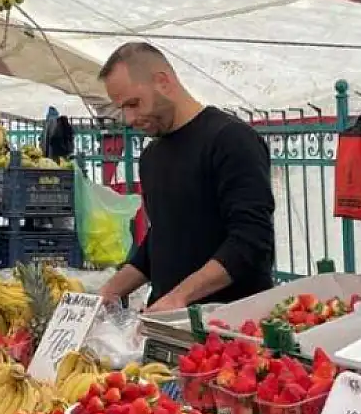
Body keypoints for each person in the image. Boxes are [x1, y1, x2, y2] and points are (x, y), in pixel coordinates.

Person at [96, 42, 275, 311]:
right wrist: (113, 288)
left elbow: (252, 242)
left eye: (134, 104)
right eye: (123, 109)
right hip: (167, 327)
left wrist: (180, 297)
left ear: (162, 82)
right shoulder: (151, 156)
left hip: (228, 328)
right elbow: (165, 237)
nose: (129, 118)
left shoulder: (230, 140)